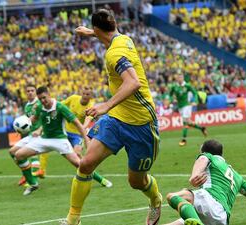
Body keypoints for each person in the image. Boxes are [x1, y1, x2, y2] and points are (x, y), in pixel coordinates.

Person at [62, 9, 162, 225]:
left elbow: (133, 82)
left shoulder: (114, 54)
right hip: (117, 119)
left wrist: (105, 105)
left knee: (136, 181)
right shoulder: (125, 39)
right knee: (86, 164)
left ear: (99, 29)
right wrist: (92, 33)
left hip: (141, 123)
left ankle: (155, 199)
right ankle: (73, 219)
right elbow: (110, 37)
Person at [11, 86, 97, 196]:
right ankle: (33, 184)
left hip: (60, 140)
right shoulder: (39, 107)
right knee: (18, 155)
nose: (43, 101)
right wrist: (25, 124)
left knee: (78, 163)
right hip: (44, 139)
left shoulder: (60, 107)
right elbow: (34, 118)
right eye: (40, 99)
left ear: (49, 95)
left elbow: (77, 124)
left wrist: (86, 139)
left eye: (44, 98)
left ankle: (100, 179)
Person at [165, 139, 246, 225]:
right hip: (222, 219)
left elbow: (203, 158)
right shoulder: (238, 177)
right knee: (185, 219)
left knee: (172, 196)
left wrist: (194, 175)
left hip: (208, 200)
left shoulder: (209, 157)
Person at [62, 86, 112, 188]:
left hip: (77, 135)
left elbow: (87, 121)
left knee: (78, 155)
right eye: (84, 93)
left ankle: (100, 179)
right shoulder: (73, 98)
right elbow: (60, 105)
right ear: (81, 92)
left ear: (91, 96)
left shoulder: (90, 106)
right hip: (65, 133)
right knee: (77, 161)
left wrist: (83, 128)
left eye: (88, 94)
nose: (85, 96)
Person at [8, 84, 44, 186]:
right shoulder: (27, 106)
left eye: (32, 90)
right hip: (31, 135)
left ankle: (31, 179)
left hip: (41, 134)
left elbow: (46, 119)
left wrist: (40, 130)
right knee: (12, 152)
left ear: (36, 92)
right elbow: (28, 122)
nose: (30, 92)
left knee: (31, 155)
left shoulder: (40, 103)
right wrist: (20, 129)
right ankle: (26, 173)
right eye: (28, 91)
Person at [169, 74, 207, 146]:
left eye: (181, 77)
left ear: (183, 78)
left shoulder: (187, 86)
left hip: (187, 106)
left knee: (185, 122)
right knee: (189, 122)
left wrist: (195, 101)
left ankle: (184, 139)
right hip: (180, 107)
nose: (180, 79)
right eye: (178, 77)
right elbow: (170, 94)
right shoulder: (174, 87)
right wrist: (172, 99)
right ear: (177, 79)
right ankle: (202, 128)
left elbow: (195, 93)